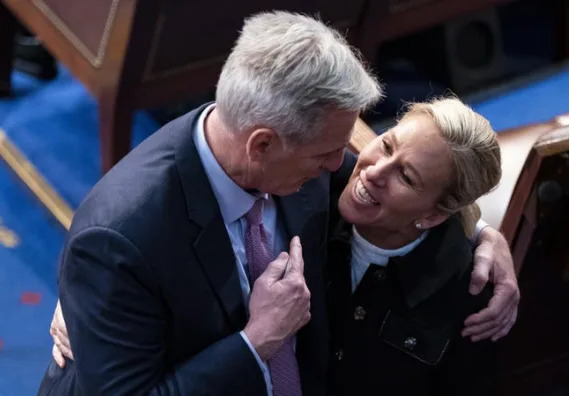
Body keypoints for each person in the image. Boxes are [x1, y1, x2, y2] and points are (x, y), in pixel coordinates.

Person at [40, 11, 519, 396]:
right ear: (262, 145)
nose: (345, 166)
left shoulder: (301, 163)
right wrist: (258, 340)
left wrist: (479, 233)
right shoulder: (120, 240)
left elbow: (415, 198)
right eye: (328, 153)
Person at [327, 98, 501, 395]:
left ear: (432, 215)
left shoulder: (471, 295)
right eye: (386, 146)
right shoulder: (307, 185)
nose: (375, 172)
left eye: (406, 177)